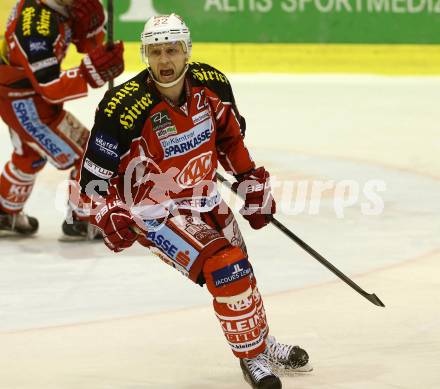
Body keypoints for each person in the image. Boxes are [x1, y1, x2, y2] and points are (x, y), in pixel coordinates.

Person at [79, 13, 311, 388]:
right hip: (154, 211)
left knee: (241, 274)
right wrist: (108, 212)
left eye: (172, 50)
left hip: (204, 196)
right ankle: (251, 358)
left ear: (187, 52)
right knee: (225, 267)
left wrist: (249, 178)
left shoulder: (213, 84)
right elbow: (92, 181)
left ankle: (261, 343)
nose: (165, 60)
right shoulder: (122, 107)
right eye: (155, 52)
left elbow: (229, 139)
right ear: (145, 55)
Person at [0, 0, 124, 238]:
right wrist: (90, 71)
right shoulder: (35, 26)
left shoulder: (57, 7)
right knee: (89, 150)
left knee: (29, 155)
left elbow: (86, 45)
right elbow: (49, 85)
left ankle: (5, 210)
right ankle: (83, 216)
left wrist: (93, 29)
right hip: (26, 103)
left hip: (19, 95)